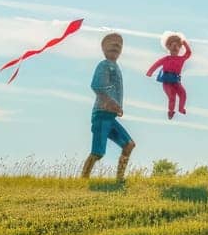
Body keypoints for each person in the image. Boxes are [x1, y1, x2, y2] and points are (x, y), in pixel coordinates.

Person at [80, 32, 135, 180]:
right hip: (101, 115)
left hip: (111, 117)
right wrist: (110, 103)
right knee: (98, 152)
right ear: (103, 48)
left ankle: (120, 178)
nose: (116, 45)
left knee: (129, 144)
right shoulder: (104, 65)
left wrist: (117, 107)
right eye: (112, 42)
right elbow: (97, 86)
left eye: (119, 44)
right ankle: (83, 178)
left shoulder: (115, 67)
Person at [145, 32, 192, 119]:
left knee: (183, 93)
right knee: (172, 96)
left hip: (176, 81)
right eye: (172, 45)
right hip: (167, 81)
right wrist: (150, 72)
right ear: (168, 47)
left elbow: (188, 53)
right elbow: (156, 64)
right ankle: (171, 112)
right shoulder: (166, 59)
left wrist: (184, 43)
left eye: (177, 46)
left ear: (179, 48)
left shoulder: (181, 59)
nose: (174, 47)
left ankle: (181, 108)